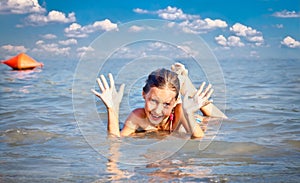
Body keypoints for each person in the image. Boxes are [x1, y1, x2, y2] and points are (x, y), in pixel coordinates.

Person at [91, 64, 225, 138]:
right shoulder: (138, 116)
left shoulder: (180, 109)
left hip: (199, 121)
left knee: (222, 119)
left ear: (174, 102)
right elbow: (116, 140)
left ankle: (187, 86)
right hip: (181, 113)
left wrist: (189, 113)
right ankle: (180, 81)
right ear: (143, 94)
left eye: (166, 104)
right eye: (153, 101)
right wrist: (112, 108)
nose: (158, 110)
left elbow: (198, 138)